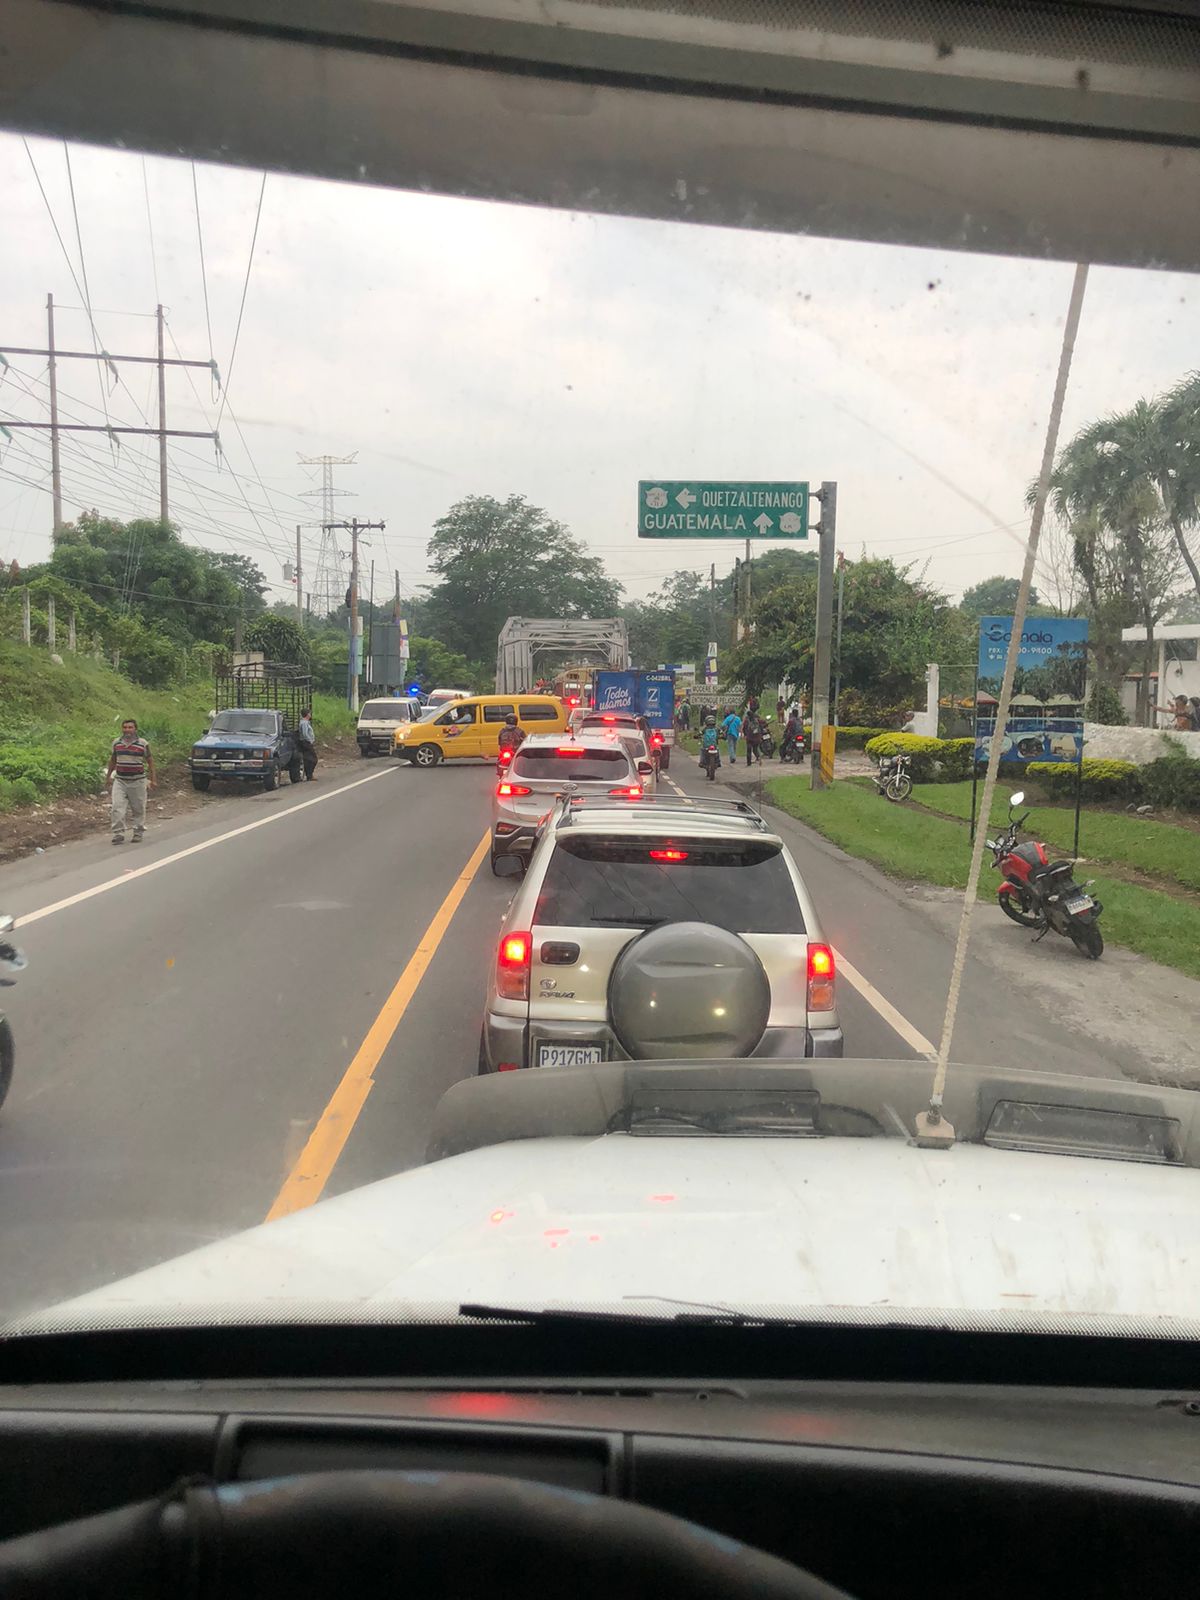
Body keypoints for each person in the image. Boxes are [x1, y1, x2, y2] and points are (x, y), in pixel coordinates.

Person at [106, 718, 155, 844]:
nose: (127, 730)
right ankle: (118, 833)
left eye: (130, 727)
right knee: (117, 807)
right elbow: (113, 760)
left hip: (137, 781)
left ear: (135, 729)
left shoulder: (143, 744)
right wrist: (108, 777)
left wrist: (153, 779)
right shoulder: (117, 743)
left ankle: (138, 832)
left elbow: (150, 761)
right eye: (125, 727)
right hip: (120, 780)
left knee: (138, 808)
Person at [298, 706, 318, 780]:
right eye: (309, 713)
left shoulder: (305, 722)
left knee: (308, 759)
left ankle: (309, 775)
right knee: (313, 759)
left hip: (306, 743)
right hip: (306, 743)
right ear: (307, 714)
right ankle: (309, 774)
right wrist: (309, 740)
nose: (310, 715)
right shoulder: (304, 723)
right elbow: (305, 733)